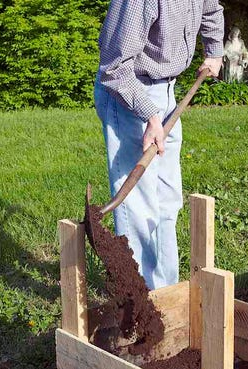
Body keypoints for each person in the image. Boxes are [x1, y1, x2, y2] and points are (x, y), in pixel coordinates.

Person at [94, 0, 224, 291]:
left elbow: (212, 10)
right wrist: (150, 115)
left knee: (167, 199)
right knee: (138, 208)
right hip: (129, 94)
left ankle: (165, 291)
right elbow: (113, 69)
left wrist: (214, 51)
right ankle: (140, 299)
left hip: (166, 92)